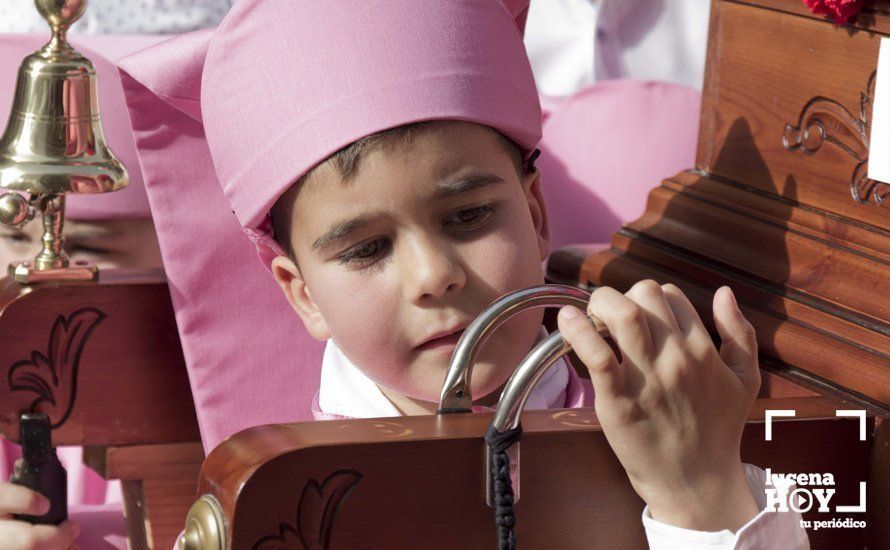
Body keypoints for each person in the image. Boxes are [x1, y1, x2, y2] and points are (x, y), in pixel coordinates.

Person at [113, 0, 808, 547]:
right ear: (302, 293)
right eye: (365, 250)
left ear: (536, 214)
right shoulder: (270, 507)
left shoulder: (686, 412)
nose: (432, 275)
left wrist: (703, 497)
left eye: (469, 217)